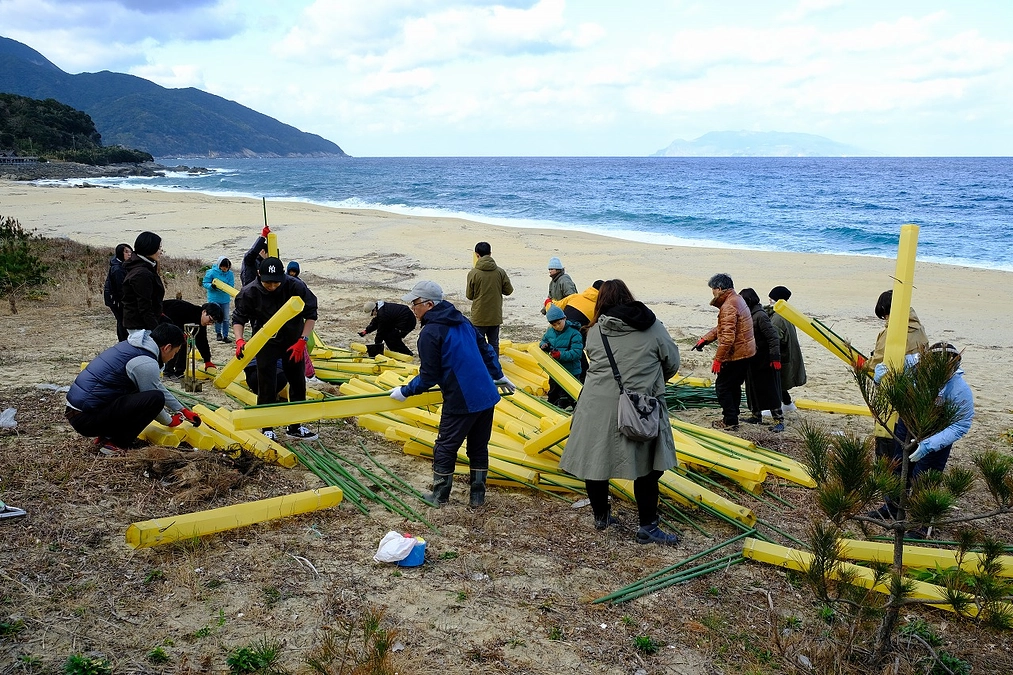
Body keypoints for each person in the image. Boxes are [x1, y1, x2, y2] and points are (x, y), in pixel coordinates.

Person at [560, 279, 681, 545]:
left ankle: (601, 517)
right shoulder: (653, 327)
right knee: (649, 468)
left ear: (601, 302)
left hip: (596, 406)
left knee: (596, 461)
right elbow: (672, 361)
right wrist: (650, 380)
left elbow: (593, 358)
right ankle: (647, 526)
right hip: (641, 405)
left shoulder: (595, 331)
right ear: (629, 296)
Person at [389, 280, 513, 508]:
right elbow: (486, 349)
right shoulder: (462, 320)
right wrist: (498, 375)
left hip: (462, 397)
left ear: (428, 304)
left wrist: (405, 392)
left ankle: (439, 496)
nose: (412, 308)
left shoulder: (430, 333)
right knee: (478, 446)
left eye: (415, 303)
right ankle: (477, 497)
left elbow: (428, 377)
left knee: (445, 446)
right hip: (486, 393)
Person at [868, 343, 974, 531]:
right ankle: (891, 508)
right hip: (907, 425)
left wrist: (930, 444)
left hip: (937, 434)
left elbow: (961, 424)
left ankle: (922, 525)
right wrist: (879, 381)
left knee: (924, 479)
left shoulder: (958, 388)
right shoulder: (908, 365)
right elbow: (893, 392)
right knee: (898, 469)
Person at [65, 323, 201, 453]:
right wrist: (170, 421)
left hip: (77, 411)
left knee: (137, 391)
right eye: (175, 352)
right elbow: (154, 397)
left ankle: (107, 435)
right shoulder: (146, 363)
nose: (173, 357)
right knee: (154, 399)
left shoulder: (134, 346)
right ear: (167, 347)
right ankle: (116, 444)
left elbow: (156, 386)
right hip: (86, 419)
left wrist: (181, 409)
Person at [232, 256, 318, 442]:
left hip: (293, 342)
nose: (272, 287)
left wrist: (303, 340)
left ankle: (295, 425)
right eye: (268, 283)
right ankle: (267, 427)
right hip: (266, 343)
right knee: (266, 384)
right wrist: (239, 341)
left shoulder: (295, 286)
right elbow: (238, 319)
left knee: (297, 382)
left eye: (276, 283)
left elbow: (311, 314)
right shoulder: (250, 292)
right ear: (258, 275)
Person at [692, 273, 756, 430]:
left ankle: (730, 421)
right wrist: (705, 339)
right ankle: (733, 415)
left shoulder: (728, 306)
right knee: (733, 386)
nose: (712, 293)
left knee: (722, 388)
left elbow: (727, 338)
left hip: (736, 354)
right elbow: (724, 327)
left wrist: (718, 360)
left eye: (713, 289)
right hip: (746, 352)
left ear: (719, 289)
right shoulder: (737, 299)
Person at [740, 288, 784, 432]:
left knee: (770, 391)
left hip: (765, 360)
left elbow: (773, 337)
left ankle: (779, 420)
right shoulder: (747, 314)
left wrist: (775, 358)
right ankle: (756, 416)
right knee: (752, 389)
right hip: (752, 359)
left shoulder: (760, 316)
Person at [465, 241, 513, 351]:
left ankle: (480, 366)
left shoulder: (473, 273)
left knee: (478, 344)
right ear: (490, 253)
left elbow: (469, 295)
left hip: (479, 316)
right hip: (494, 315)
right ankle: (494, 366)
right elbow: (508, 291)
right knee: (494, 343)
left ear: (477, 255)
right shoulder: (500, 272)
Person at [766, 286, 807, 411]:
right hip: (788, 353)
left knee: (775, 382)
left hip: (781, 355)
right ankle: (788, 404)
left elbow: (774, 338)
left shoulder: (778, 317)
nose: (769, 301)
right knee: (781, 382)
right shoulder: (787, 313)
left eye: (771, 299)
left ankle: (774, 407)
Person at [160, 300, 223, 377]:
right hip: (161, 315)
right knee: (177, 342)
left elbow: (202, 341)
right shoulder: (187, 310)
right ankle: (168, 372)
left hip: (174, 323)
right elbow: (172, 320)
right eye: (210, 320)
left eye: (213, 323)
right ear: (204, 312)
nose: (210, 323)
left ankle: (179, 372)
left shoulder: (200, 323)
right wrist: (181, 333)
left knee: (185, 344)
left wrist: (207, 361)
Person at [868, 290, 929, 368]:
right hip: (920, 372)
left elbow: (878, 360)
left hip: (899, 375)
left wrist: (862, 365)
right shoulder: (920, 328)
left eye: (884, 317)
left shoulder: (890, 333)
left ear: (884, 310)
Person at [539, 304, 583, 410]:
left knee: (567, 397)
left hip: (571, 371)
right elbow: (543, 341)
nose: (557, 326)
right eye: (554, 325)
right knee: (553, 394)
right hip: (555, 371)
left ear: (564, 318)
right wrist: (543, 345)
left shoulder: (574, 333)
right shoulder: (550, 332)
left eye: (559, 323)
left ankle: (571, 411)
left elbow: (577, 353)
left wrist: (560, 355)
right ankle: (552, 410)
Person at [121, 231, 165, 337]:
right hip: (141, 327)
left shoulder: (145, 266)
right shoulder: (142, 274)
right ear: (150, 248)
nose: (161, 252)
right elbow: (144, 307)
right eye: (158, 248)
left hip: (144, 324)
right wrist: (157, 331)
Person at [103, 243, 132, 342]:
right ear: (120, 253)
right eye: (126, 252)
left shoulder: (122, 264)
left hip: (116, 298)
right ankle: (123, 340)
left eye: (130, 251)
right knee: (122, 320)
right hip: (115, 299)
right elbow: (120, 289)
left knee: (122, 320)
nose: (129, 254)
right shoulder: (118, 269)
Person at [202, 256, 235, 342]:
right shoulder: (211, 272)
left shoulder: (230, 274)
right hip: (214, 298)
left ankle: (225, 335)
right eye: (223, 267)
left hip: (225, 298)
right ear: (219, 265)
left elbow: (231, 285)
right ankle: (218, 333)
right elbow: (205, 283)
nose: (225, 269)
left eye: (227, 267)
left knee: (226, 318)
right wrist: (212, 286)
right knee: (216, 316)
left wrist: (224, 287)